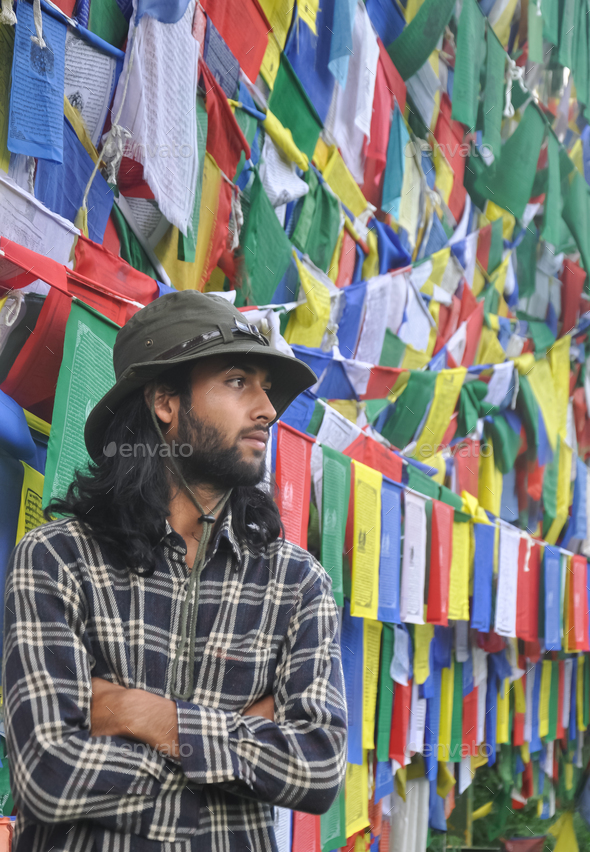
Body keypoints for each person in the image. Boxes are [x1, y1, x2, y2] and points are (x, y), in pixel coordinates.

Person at [4, 291, 347, 852]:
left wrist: (144, 715)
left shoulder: (296, 584)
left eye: (266, 389)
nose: (266, 409)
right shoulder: (58, 558)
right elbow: (47, 776)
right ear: (166, 401)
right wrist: (239, 743)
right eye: (239, 381)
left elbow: (318, 767)